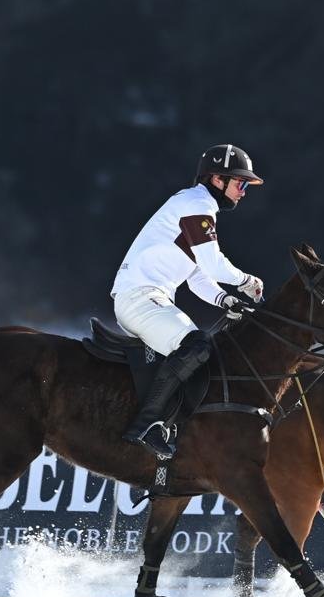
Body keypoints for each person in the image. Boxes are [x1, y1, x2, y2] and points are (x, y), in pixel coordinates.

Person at [112, 143, 266, 458]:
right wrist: (246, 282)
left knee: (201, 348)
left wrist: (225, 299)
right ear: (217, 179)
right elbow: (213, 263)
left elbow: (197, 277)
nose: (244, 191)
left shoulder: (195, 205)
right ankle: (147, 425)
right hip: (140, 297)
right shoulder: (197, 204)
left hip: (148, 296)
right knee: (197, 346)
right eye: (241, 183)